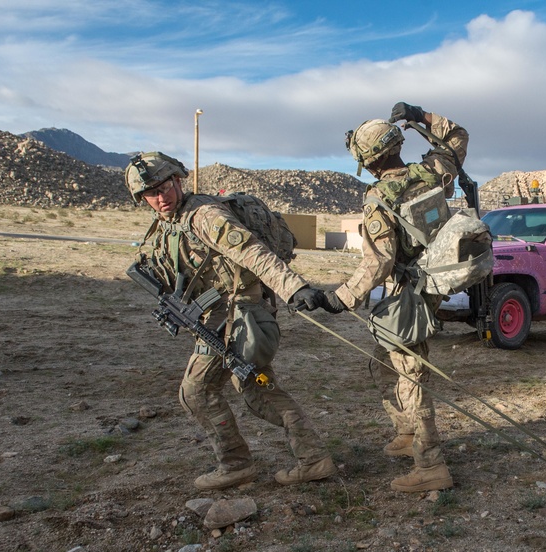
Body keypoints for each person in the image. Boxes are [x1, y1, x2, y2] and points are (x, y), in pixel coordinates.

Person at [125, 152, 336, 491]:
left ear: (178, 181)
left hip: (240, 314)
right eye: (150, 194)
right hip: (221, 314)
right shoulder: (169, 223)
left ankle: (236, 464)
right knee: (256, 388)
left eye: (164, 188)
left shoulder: (204, 216)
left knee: (196, 391)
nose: (159, 198)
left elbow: (253, 252)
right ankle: (313, 458)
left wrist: (293, 287)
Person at [317, 102, 468, 493]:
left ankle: (430, 463)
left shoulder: (378, 200)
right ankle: (407, 434)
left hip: (408, 293)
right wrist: (421, 115)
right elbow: (457, 135)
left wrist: (341, 298)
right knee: (385, 363)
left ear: (367, 162)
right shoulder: (433, 172)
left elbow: (379, 262)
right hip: (432, 282)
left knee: (410, 374)